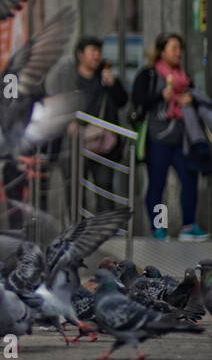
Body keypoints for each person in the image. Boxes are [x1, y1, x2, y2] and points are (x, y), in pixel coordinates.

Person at [131, 32, 208, 242]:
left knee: (189, 179)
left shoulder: (183, 77)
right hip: (158, 139)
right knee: (158, 185)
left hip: (182, 141)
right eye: (174, 48)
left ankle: (188, 226)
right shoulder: (150, 74)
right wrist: (159, 96)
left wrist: (190, 98)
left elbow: (196, 101)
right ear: (162, 50)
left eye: (180, 49)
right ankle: (159, 228)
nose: (178, 53)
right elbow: (137, 99)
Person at [49, 36, 129, 211]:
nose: (96, 56)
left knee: (104, 184)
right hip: (75, 141)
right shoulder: (69, 79)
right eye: (92, 51)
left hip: (102, 140)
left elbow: (122, 101)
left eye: (98, 52)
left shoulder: (105, 77)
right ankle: (79, 229)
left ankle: (106, 228)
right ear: (80, 55)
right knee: (75, 187)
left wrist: (113, 84)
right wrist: (68, 124)